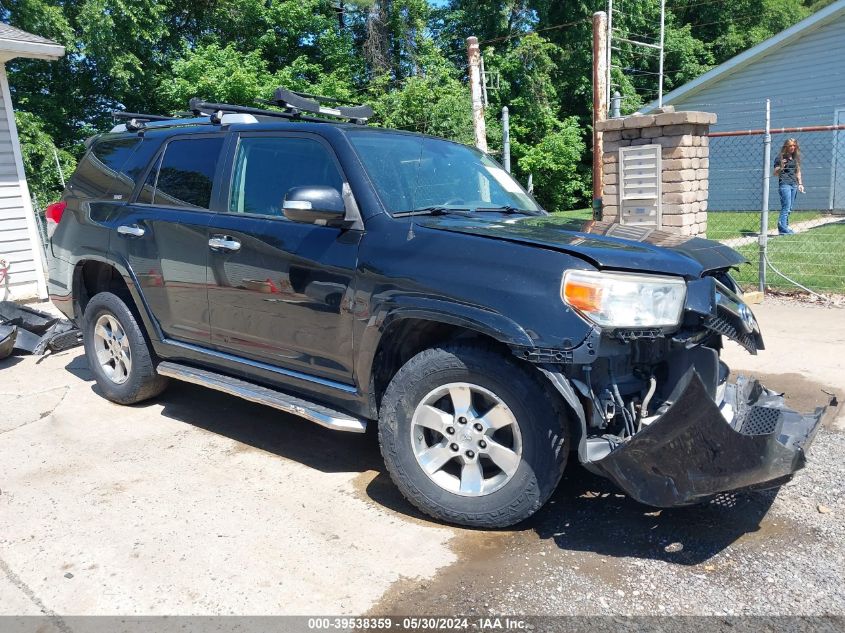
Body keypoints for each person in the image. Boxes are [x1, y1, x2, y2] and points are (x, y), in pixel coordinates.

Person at [773, 138, 804, 234]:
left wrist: (800, 184)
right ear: (786, 146)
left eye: (794, 145)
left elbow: (798, 171)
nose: (793, 147)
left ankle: (785, 226)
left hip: (793, 184)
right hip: (784, 184)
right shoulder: (780, 157)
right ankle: (783, 229)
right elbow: (775, 173)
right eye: (790, 145)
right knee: (786, 207)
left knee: (789, 208)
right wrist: (781, 166)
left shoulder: (795, 158)